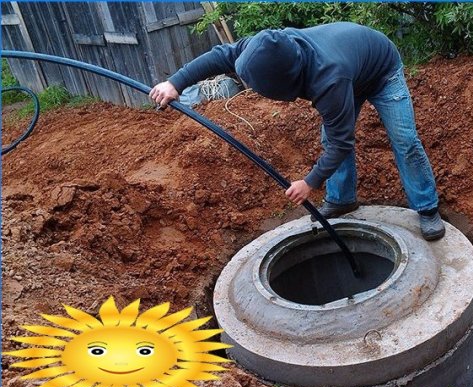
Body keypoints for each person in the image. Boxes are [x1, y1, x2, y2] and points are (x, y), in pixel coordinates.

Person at [150, 22, 445, 240]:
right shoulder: (263, 49)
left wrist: (310, 182)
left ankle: (427, 207)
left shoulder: (328, 79)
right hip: (350, 65)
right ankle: (342, 199)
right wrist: (176, 82)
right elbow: (219, 55)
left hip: (381, 70)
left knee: (404, 140)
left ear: (285, 84)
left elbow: (342, 143)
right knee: (330, 135)